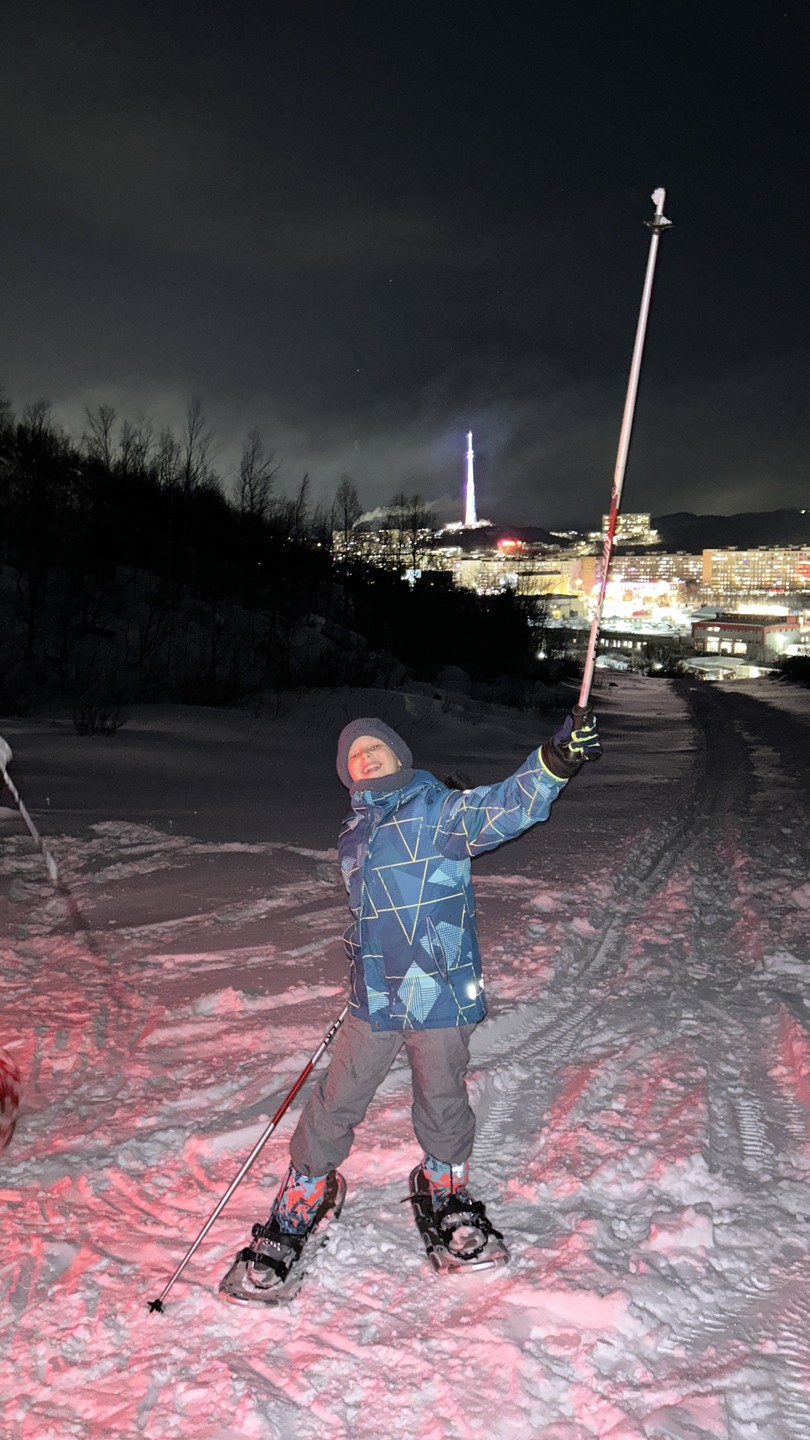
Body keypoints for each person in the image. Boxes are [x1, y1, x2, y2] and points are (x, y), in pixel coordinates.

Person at [249, 707, 601, 1281]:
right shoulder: (353, 834)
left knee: (441, 1097)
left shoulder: (436, 810)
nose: (365, 757)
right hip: (375, 1000)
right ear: (348, 774)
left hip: (439, 995)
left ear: (399, 757)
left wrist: (554, 762)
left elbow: (504, 807)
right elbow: (366, 917)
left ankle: (446, 1187)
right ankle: (304, 1193)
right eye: (354, 755)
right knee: (337, 1099)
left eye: (374, 748)